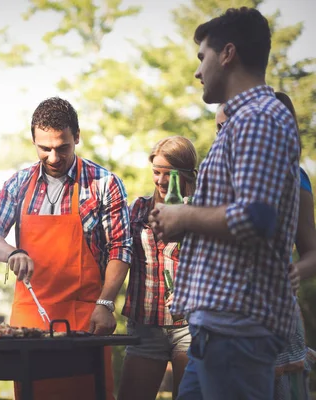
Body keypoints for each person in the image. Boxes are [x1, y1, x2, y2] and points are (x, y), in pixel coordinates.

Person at [149, 7, 301, 399]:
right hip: (217, 327)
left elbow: (255, 217)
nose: (198, 71)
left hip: (237, 325)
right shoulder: (239, 122)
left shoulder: (257, 119)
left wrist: (183, 214)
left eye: (202, 57)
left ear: (227, 54)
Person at [0, 97, 132, 400]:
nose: (54, 157)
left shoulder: (103, 183)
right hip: (30, 323)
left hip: (86, 317)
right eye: (44, 148)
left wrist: (106, 303)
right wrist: (12, 253)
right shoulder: (19, 183)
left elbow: (121, 248)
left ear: (77, 137)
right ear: (34, 141)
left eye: (63, 147)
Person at [118, 136, 197, 400]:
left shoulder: (200, 212)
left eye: (170, 174)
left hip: (190, 324)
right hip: (145, 324)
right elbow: (117, 254)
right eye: (157, 172)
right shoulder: (138, 209)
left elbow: (218, 262)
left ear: (187, 175)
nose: (162, 181)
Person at [272, 91, 316, 400]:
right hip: (226, 322)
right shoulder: (224, 174)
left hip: (276, 319)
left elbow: (312, 253)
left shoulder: (296, 179)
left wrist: (293, 271)